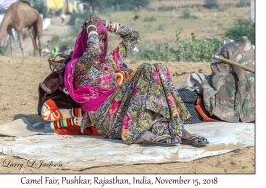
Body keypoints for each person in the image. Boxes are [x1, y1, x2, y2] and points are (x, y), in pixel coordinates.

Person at [42, 16, 209, 147]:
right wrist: (91, 27)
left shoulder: (110, 61)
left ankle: (179, 130)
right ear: (87, 40)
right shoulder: (79, 65)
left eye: (103, 39)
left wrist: (106, 24)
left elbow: (133, 36)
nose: (100, 43)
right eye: (96, 39)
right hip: (104, 117)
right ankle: (134, 134)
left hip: (120, 108)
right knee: (145, 68)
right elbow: (92, 52)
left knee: (159, 69)